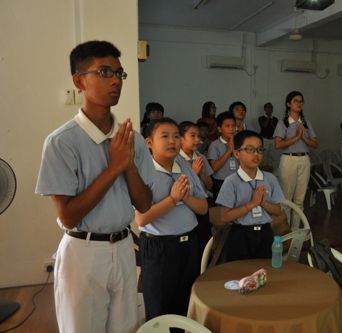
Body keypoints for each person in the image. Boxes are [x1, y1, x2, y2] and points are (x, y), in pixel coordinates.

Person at [35, 40, 154, 333]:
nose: (115, 80)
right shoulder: (62, 142)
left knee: (126, 328)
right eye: (104, 72)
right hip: (83, 252)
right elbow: (67, 216)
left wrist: (128, 167)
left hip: (125, 247)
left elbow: (145, 204)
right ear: (79, 81)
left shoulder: (132, 139)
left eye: (119, 73)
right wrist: (114, 167)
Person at [135, 117, 208, 322]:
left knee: (187, 302)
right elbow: (141, 219)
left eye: (176, 136)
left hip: (189, 244)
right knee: (160, 306)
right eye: (165, 136)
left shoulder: (185, 167)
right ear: (149, 143)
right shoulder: (143, 172)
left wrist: (186, 197)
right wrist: (173, 199)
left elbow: (203, 208)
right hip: (160, 248)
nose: (172, 141)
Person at [216, 130, 285, 261]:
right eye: (250, 149)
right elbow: (224, 217)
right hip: (240, 235)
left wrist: (263, 202)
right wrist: (252, 204)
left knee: (264, 271)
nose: (256, 154)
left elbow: (278, 211)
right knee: (241, 274)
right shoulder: (231, 181)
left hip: (265, 233)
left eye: (259, 150)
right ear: (237, 154)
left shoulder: (270, 179)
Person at [273, 91, 317, 230]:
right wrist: (296, 137)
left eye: (301, 101)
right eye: (296, 101)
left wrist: (303, 138)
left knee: (300, 198)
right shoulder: (283, 122)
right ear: (288, 104)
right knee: (286, 198)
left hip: (304, 159)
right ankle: (285, 231)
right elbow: (278, 144)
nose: (299, 103)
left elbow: (315, 144)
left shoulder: (306, 123)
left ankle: (296, 231)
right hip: (288, 159)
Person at [179, 120, 214, 258]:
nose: (197, 140)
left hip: (202, 204)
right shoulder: (175, 159)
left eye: (198, 136)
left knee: (204, 243)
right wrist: (192, 173)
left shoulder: (201, 157)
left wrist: (200, 174)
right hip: (186, 206)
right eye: (192, 136)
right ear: (181, 138)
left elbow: (210, 185)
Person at [208, 111, 238, 199]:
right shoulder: (214, 145)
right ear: (220, 129)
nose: (231, 129)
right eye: (227, 126)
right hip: (221, 182)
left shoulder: (239, 143)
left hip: (237, 180)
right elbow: (214, 168)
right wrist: (228, 151)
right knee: (222, 209)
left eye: (233, 126)